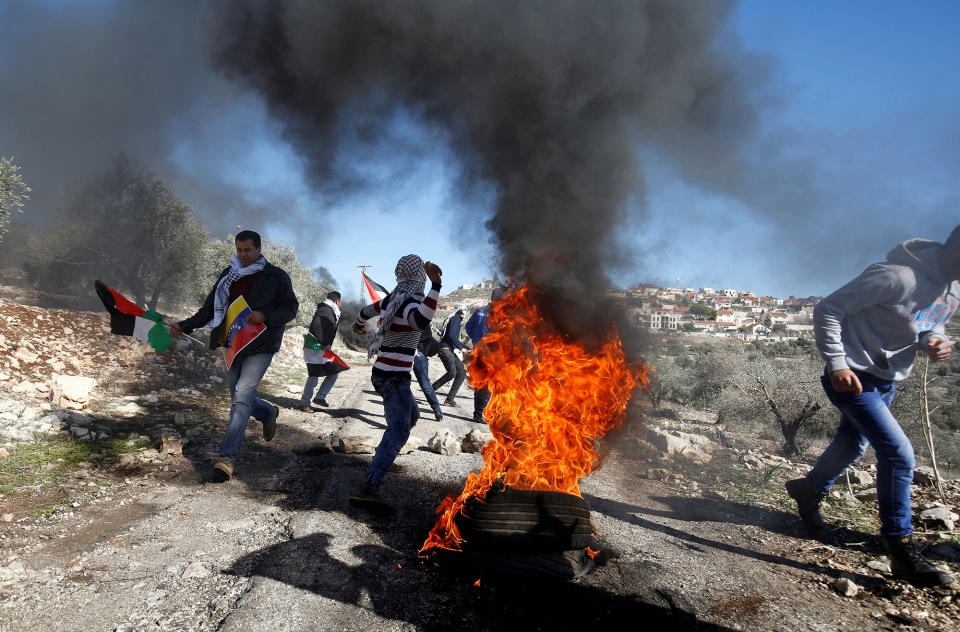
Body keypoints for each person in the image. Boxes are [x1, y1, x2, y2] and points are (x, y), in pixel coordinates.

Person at [786, 225, 960, 587]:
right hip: (852, 377)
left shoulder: (953, 289)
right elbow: (829, 309)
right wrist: (837, 363)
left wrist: (938, 341)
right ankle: (900, 548)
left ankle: (809, 489)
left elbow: (927, 325)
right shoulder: (896, 276)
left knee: (852, 445)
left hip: (887, 380)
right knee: (898, 455)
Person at [170, 230, 299, 482]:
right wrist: (184, 325)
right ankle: (268, 413)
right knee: (240, 397)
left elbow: (291, 308)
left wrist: (266, 315)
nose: (242, 255)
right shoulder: (227, 275)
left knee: (241, 398)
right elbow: (209, 309)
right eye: (239, 250)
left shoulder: (276, 276)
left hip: (261, 345)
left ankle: (227, 458)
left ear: (259, 249)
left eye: (248, 250)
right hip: (233, 344)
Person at [349, 254, 442, 511]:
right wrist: (436, 287)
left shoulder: (392, 299)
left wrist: (359, 326)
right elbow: (420, 321)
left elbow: (365, 312)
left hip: (383, 372)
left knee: (412, 415)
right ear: (419, 278)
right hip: (394, 377)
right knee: (399, 430)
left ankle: (385, 457)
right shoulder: (411, 301)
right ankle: (370, 485)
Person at [465, 288, 506, 424]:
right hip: (491, 353)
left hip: (478, 351)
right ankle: (481, 413)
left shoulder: (480, 310)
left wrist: (476, 340)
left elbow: (468, 327)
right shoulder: (500, 313)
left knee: (481, 382)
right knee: (489, 383)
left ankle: (479, 412)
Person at [299, 290, 342, 412]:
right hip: (316, 346)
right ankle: (305, 403)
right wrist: (325, 343)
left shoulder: (328, 309)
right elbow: (317, 326)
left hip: (320, 347)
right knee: (314, 374)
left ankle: (319, 397)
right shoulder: (326, 310)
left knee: (333, 373)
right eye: (340, 302)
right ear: (337, 301)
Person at [432, 307, 468, 406]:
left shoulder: (454, 319)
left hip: (450, 350)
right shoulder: (456, 318)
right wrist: (461, 348)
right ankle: (431, 390)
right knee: (452, 373)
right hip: (445, 349)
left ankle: (449, 399)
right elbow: (452, 336)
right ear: (462, 313)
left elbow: (453, 338)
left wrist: (467, 347)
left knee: (461, 373)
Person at [413, 327, 443, 421]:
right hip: (419, 354)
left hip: (404, 354)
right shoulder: (423, 318)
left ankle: (397, 413)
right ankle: (437, 410)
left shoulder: (401, 316)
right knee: (425, 384)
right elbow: (427, 336)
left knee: (399, 384)